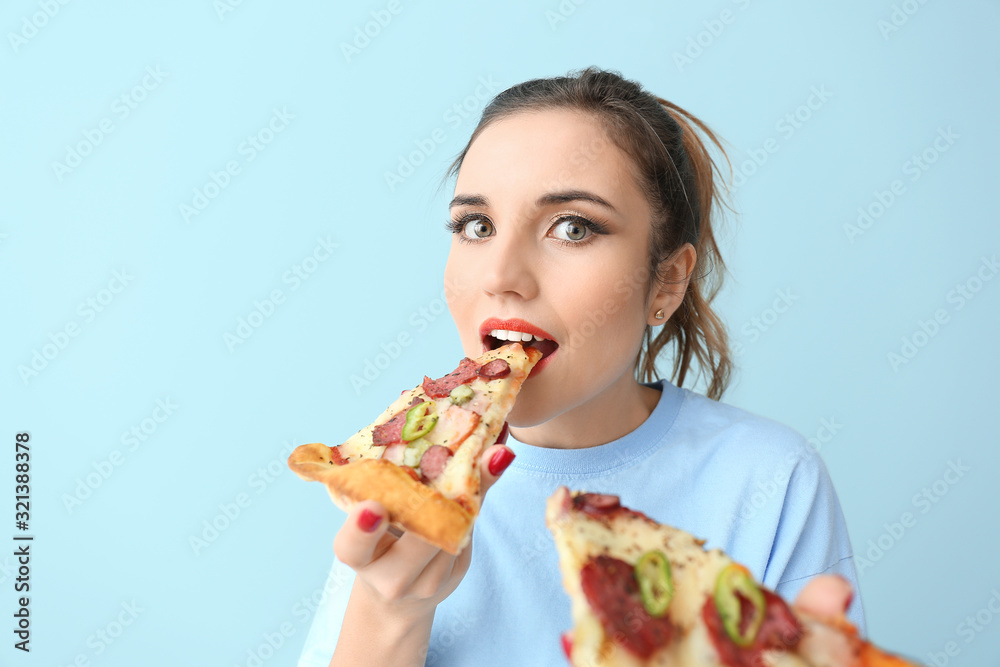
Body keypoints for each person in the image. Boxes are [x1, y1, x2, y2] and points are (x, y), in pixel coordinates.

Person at [297, 67, 865, 666]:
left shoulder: (770, 480)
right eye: (477, 226)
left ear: (666, 281)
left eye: (573, 228)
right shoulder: (400, 477)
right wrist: (390, 610)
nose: (500, 277)